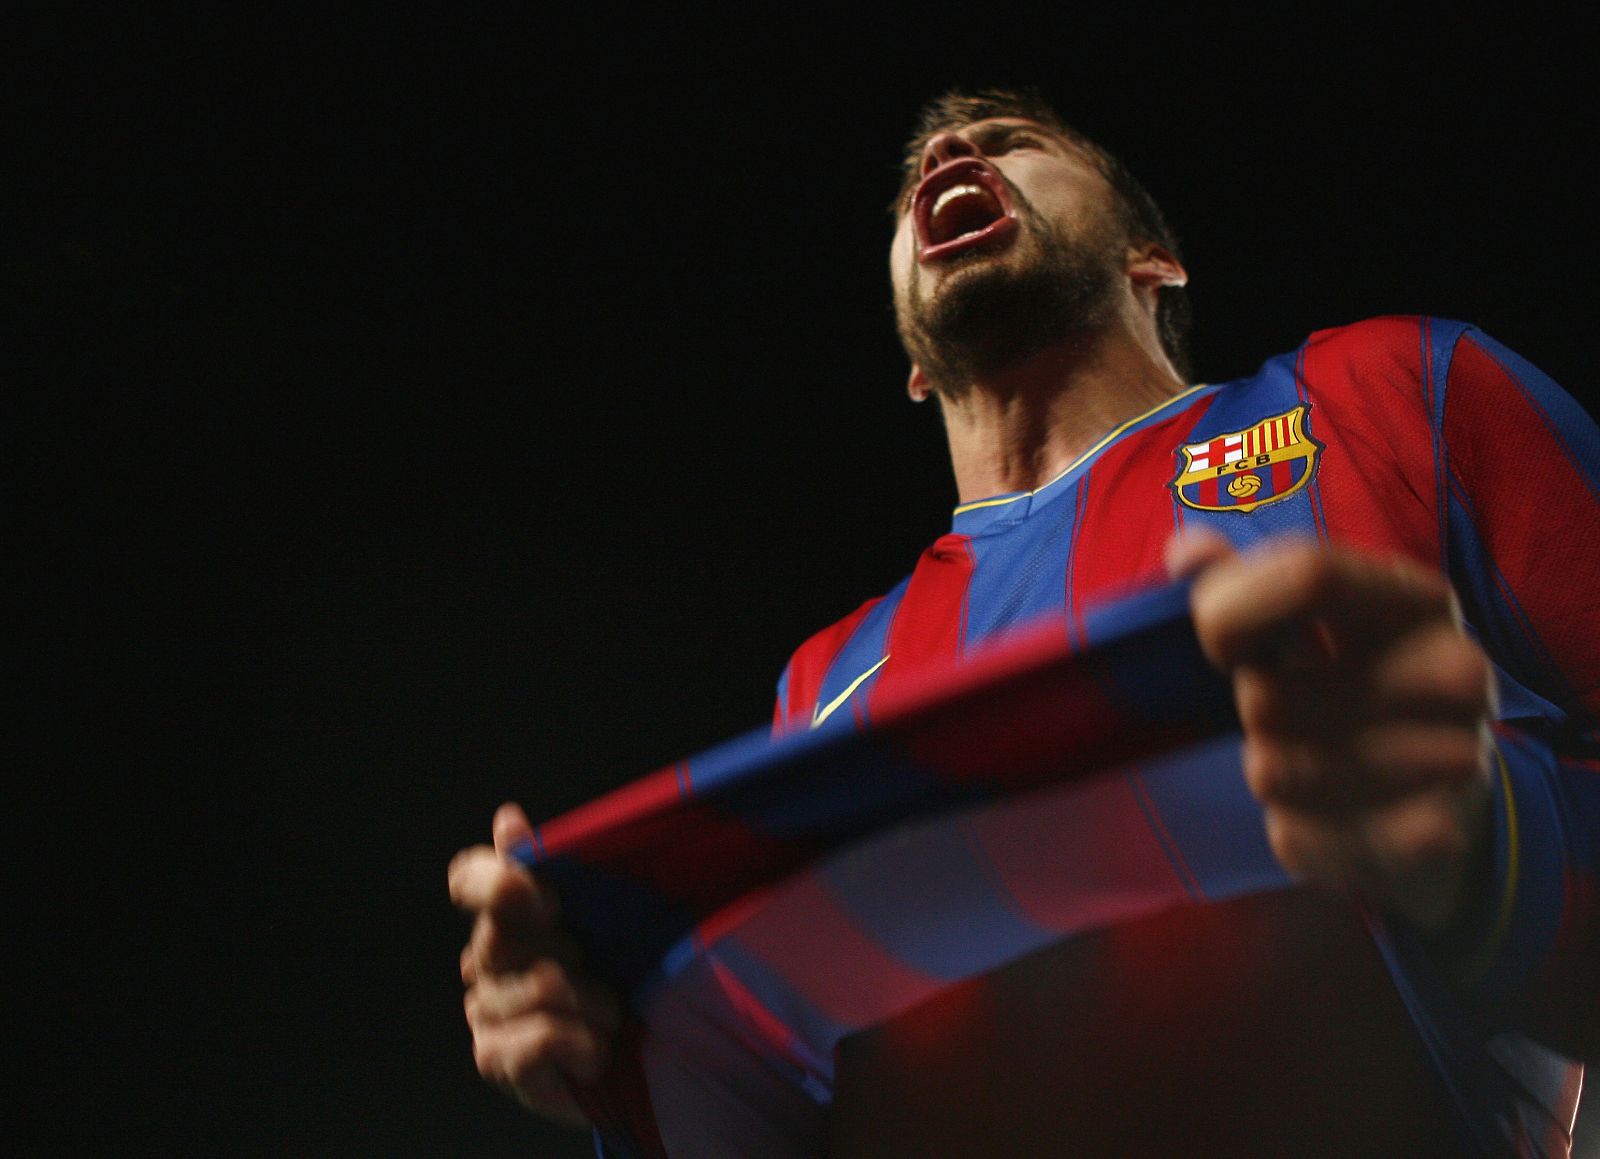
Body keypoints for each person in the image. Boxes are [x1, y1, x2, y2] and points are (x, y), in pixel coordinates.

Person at [449, 88, 1598, 1156]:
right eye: (922, 167)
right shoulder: (824, 683)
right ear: (910, 365)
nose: (951, 150)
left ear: (1155, 258)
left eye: (1011, 139)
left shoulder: (1390, 394)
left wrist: (1490, 842)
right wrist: (616, 1057)